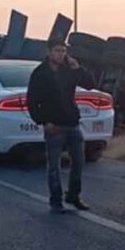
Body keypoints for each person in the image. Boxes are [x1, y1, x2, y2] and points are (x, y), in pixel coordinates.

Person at [26, 40, 97, 213]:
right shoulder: (40, 73)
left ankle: (73, 195)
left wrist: (77, 68)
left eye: (64, 51)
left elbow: (90, 84)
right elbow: (32, 101)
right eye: (58, 50)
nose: (61, 54)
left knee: (79, 162)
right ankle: (55, 200)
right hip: (54, 125)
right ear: (49, 52)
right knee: (54, 165)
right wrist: (44, 122)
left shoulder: (68, 71)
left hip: (72, 123)